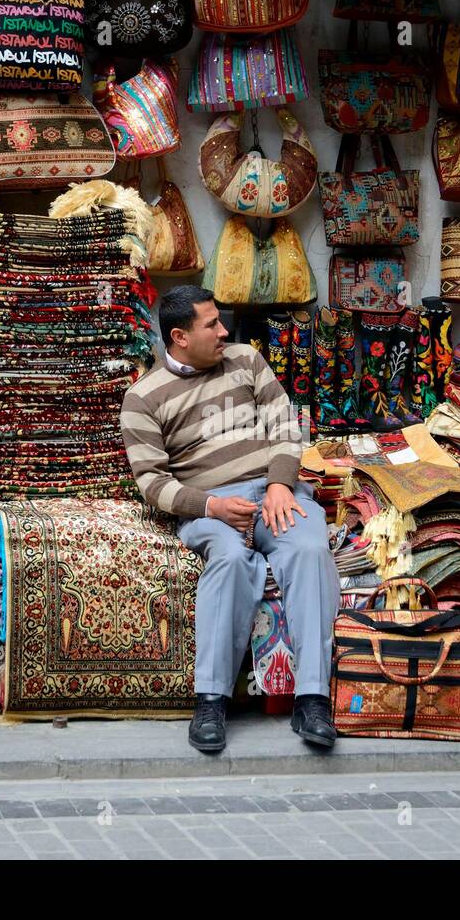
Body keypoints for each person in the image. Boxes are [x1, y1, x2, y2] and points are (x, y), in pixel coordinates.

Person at [120, 285, 340, 753]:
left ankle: (313, 699)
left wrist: (281, 481)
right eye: (211, 325)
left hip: (272, 491)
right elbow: (152, 483)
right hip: (211, 505)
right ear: (179, 336)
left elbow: (285, 423)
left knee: (307, 549)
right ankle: (211, 701)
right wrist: (211, 507)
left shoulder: (246, 360)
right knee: (230, 560)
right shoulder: (143, 398)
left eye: (221, 321)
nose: (224, 331)